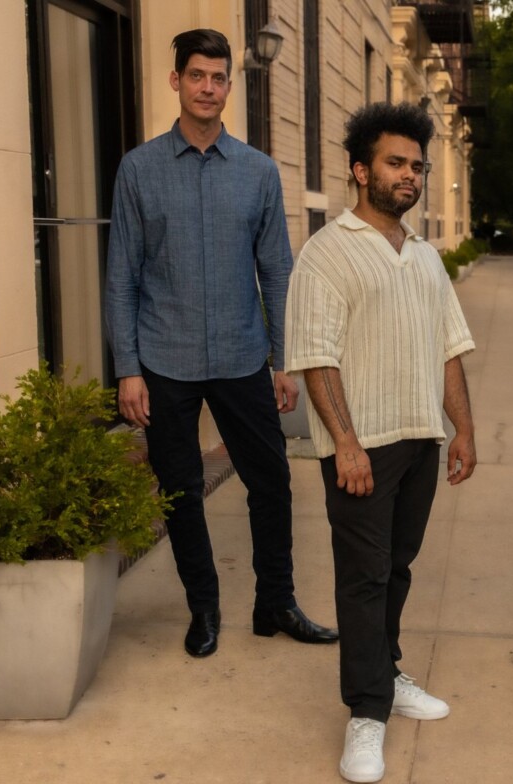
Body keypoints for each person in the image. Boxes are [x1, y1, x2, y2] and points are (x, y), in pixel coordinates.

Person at [104, 28, 337, 659]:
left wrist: (284, 360)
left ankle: (276, 603)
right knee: (181, 490)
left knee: (272, 483)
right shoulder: (139, 170)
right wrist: (128, 369)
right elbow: (122, 277)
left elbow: (277, 270)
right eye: (196, 76)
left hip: (241, 356)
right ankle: (203, 609)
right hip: (165, 359)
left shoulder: (259, 172)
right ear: (176, 81)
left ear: (230, 86)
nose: (207, 88)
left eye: (217, 77)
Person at [285, 102, 476, 784]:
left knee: (396, 569)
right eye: (396, 163)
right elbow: (316, 357)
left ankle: (386, 674)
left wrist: (462, 429)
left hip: (420, 440)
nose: (410, 176)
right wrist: (346, 443)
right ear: (360, 170)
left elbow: (448, 349)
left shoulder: (423, 256)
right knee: (364, 578)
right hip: (362, 448)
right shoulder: (327, 252)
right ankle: (366, 712)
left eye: (417, 166)